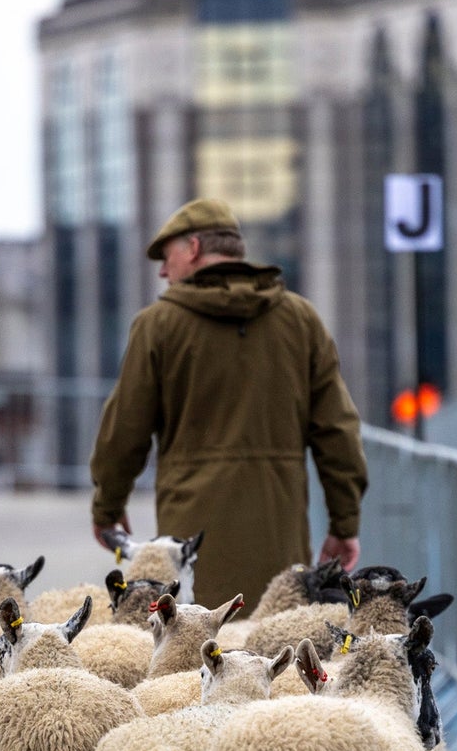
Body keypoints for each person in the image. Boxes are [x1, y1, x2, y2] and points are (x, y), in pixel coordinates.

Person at [90, 198, 367, 610]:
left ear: (194, 249)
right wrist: (344, 523)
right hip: (280, 535)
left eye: (167, 258)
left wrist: (107, 507)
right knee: (280, 650)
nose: (164, 272)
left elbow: (125, 429)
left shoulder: (157, 326)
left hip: (190, 545)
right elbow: (337, 431)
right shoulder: (301, 320)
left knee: (195, 655)